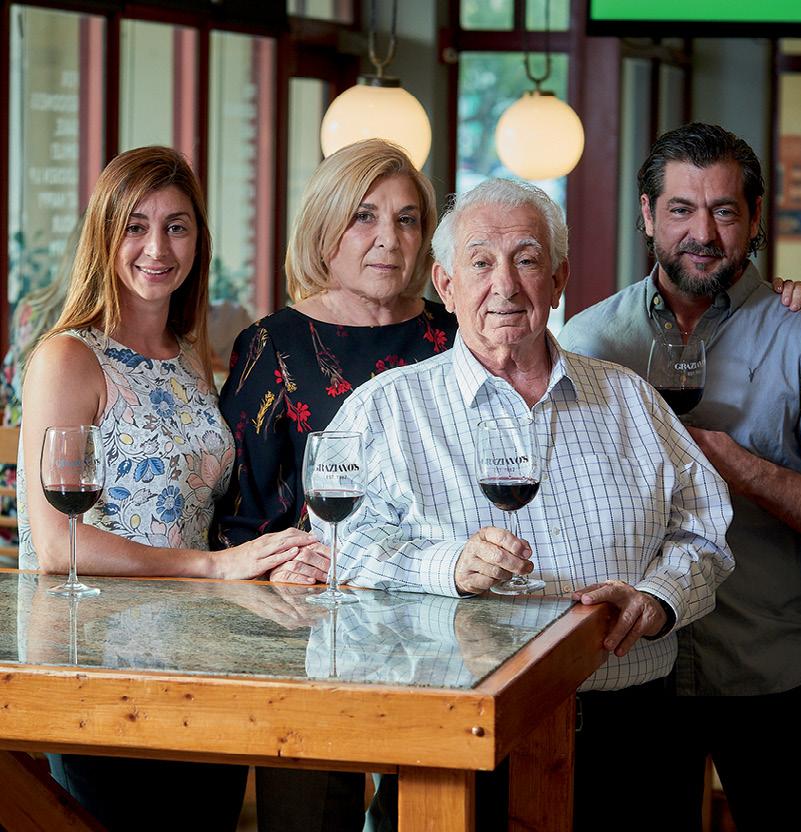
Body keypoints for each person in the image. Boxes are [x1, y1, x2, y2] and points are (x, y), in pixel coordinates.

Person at [320, 177, 736, 830]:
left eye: (527, 259)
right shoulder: (386, 410)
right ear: (446, 284)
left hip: (631, 738)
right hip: (457, 742)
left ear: (559, 278)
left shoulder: (630, 398)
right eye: (481, 262)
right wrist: (446, 565)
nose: (506, 285)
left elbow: (704, 528)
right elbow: (338, 544)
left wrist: (658, 599)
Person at [558, 122, 801, 831]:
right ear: (648, 214)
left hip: (765, 667)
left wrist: (735, 463)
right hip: (628, 673)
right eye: (681, 209)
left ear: (755, 216)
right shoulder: (590, 342)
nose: (702, 233)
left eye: (724, 211)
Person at [17, 146, 315, 831]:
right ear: (105, 234)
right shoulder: (68, 357)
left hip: (199, 651)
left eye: (176, 227)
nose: (158, 248)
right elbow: (58, 545)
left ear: (197, 241)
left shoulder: (189, 356)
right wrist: (211, 567)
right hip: (97, 660)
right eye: (136, 226)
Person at [211, 139, 455, 832]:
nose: (388, 239)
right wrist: (280, 568)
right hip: (307, 630)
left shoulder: (457, 338)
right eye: (363, 216)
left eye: (407, 219)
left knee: (437, 811)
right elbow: (241, 516)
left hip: (443, 628)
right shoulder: (272, 344)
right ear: (325, 228)